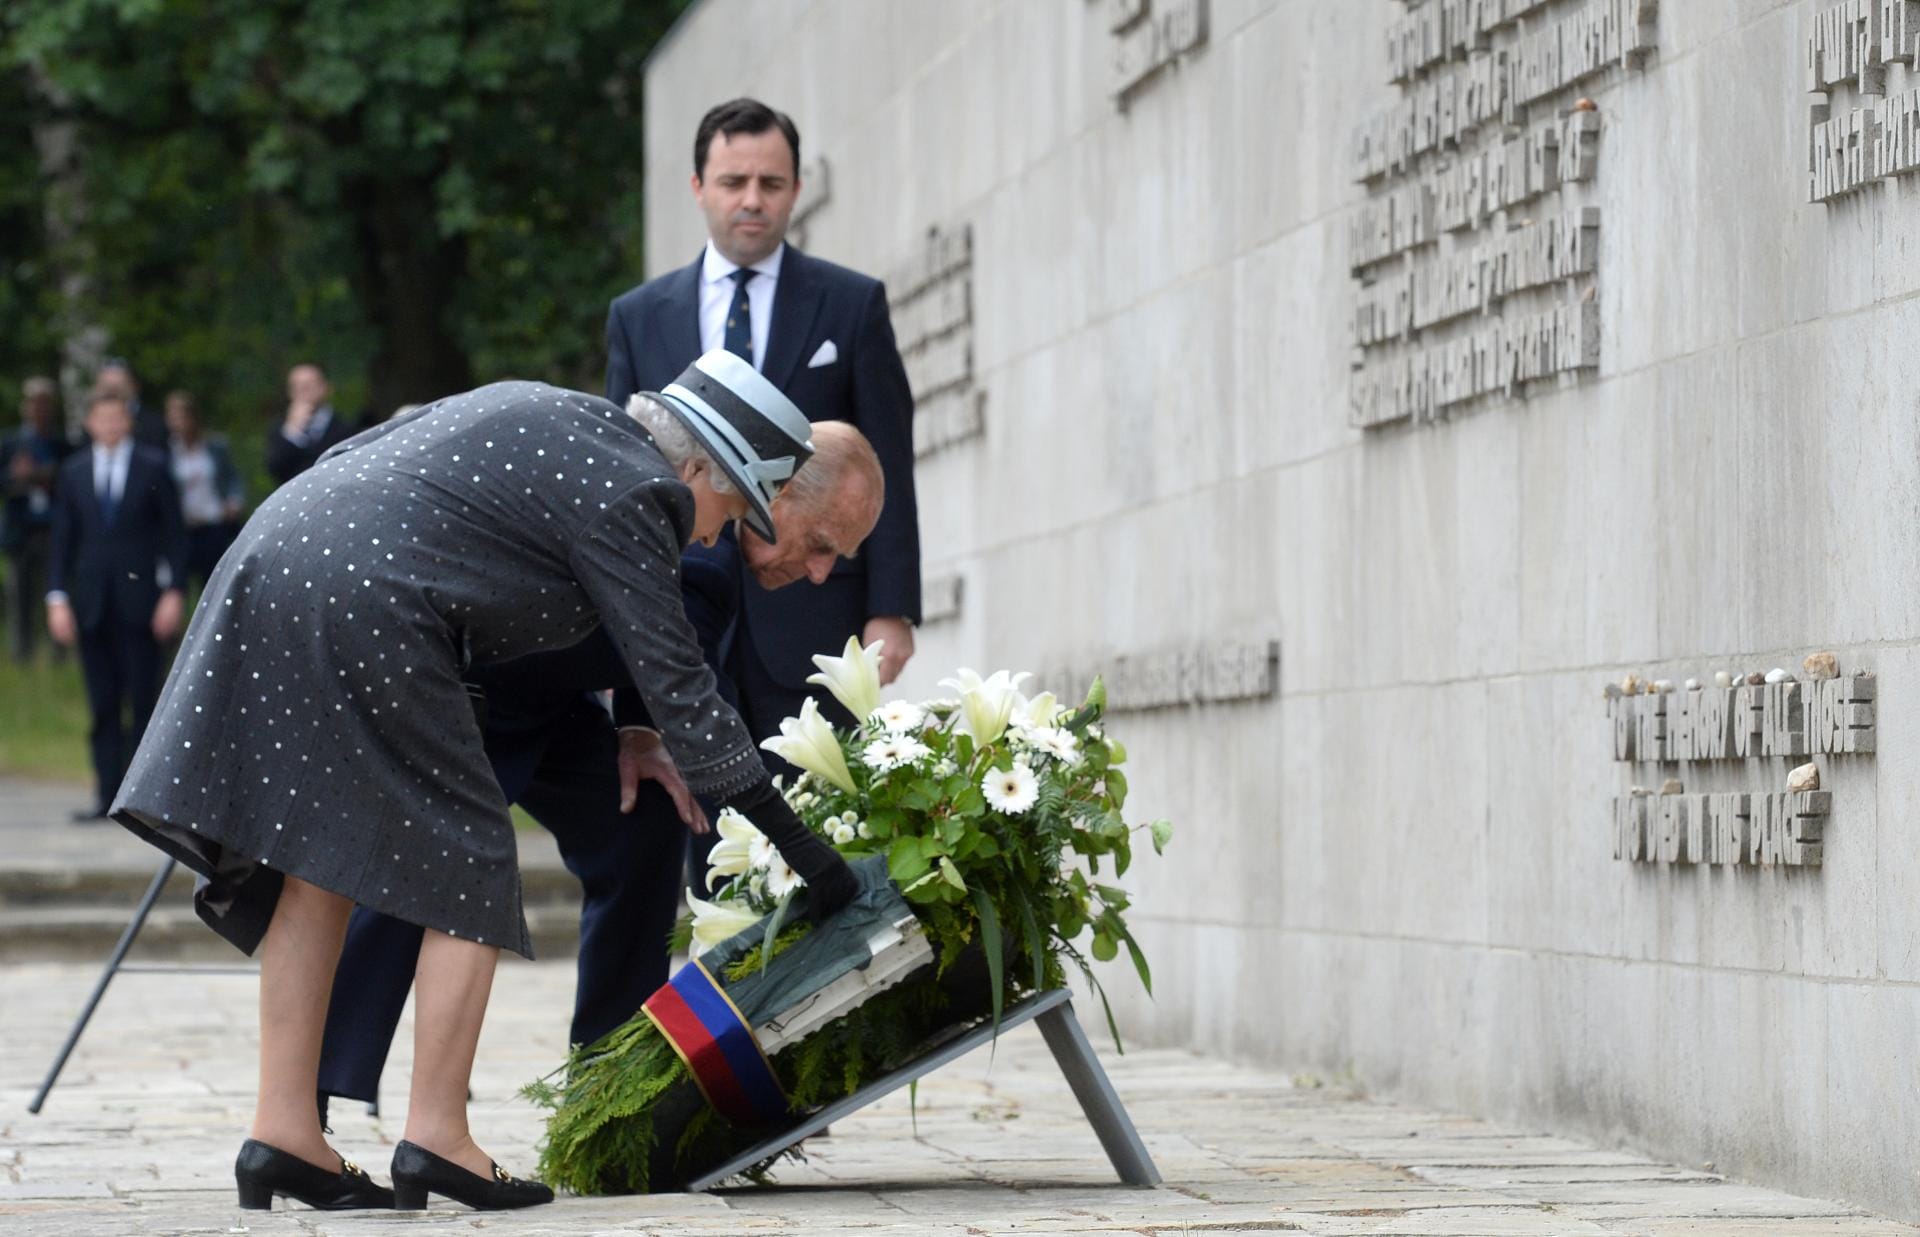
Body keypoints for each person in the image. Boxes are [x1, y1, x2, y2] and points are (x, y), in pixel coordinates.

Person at [108, 351, 861, 1213]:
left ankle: (283, 1129)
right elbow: (682, 691)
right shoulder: (638, 491)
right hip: (372, 598)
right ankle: (439, 1138)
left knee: (316, 854)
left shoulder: (568, 420)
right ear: (695, 467)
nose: (716, 532)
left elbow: (391, 438)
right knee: (467, 859)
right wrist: (813, 857)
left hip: (277, 552)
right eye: (730, 507)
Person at [314, 421, 884, 1112]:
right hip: (469, 686)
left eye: (838, 559)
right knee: (428, 862)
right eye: (822, 543)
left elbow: (663, 658)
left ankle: (607, 1080)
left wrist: (639, 734)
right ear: (780, 491)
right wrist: (804, 850)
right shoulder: (702, 541)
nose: (821, 573)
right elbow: (689, 693)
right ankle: (314, 1081)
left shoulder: (720, 555)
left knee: (641, 820)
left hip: (551, 698)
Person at [605, 97, 922, 746]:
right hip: (684, 626)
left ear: (796, 190)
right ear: (699, 188)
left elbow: (887, 458)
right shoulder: (637, 317)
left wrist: (892, 610)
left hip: (816, 625)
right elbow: (623, 477)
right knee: (707, 837)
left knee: (821, 827)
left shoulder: (852, 303)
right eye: (733, 182)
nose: (752, 199)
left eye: (771, 183)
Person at [46, 393, 188, 820]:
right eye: (101, 418)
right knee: (103, 703)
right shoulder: (72, 472)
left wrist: (174, 591)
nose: (109, 425)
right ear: (89, 422)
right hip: (91, 603)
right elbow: (62, 541)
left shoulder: (153, 466)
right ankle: (106, 795)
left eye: (116, 417)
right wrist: (57, 598)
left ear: (127, 422)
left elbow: (174, 536)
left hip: (141, 602)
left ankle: (144, 802)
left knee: (144, 700)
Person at [1, 377, 77, 662]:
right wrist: (17, 478)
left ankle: (59, 651)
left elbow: (71, 481)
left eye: (45, 404)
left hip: (52, 528)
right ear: (26, 408)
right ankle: (22, 653)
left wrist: (46, 475)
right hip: (21, 529)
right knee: (19, 593)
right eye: (35, 403)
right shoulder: (11, 443)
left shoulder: (61, 445)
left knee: (55, 589)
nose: (39, 409)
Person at [164, 390, 246, 592]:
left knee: (213, 584)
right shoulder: (166, 451)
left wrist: (234, 501)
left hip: (213, 523)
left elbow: (232, 477)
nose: (176, 423)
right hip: (182, 528)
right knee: (176, 585)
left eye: (181, 416)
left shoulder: (215, 445)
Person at [265, 362, 353, 485]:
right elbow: (276, 470)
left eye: (309, 385)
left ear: (326, 387)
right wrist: (293, 432)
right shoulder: (280, 430)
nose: (303, 390)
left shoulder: (346, 428)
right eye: (297, 386)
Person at [93, 360, 168, 448]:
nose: (112, 393)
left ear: (134, 386)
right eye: (106, 387)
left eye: (118, 386)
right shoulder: (92, 420)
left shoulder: (154, 423)